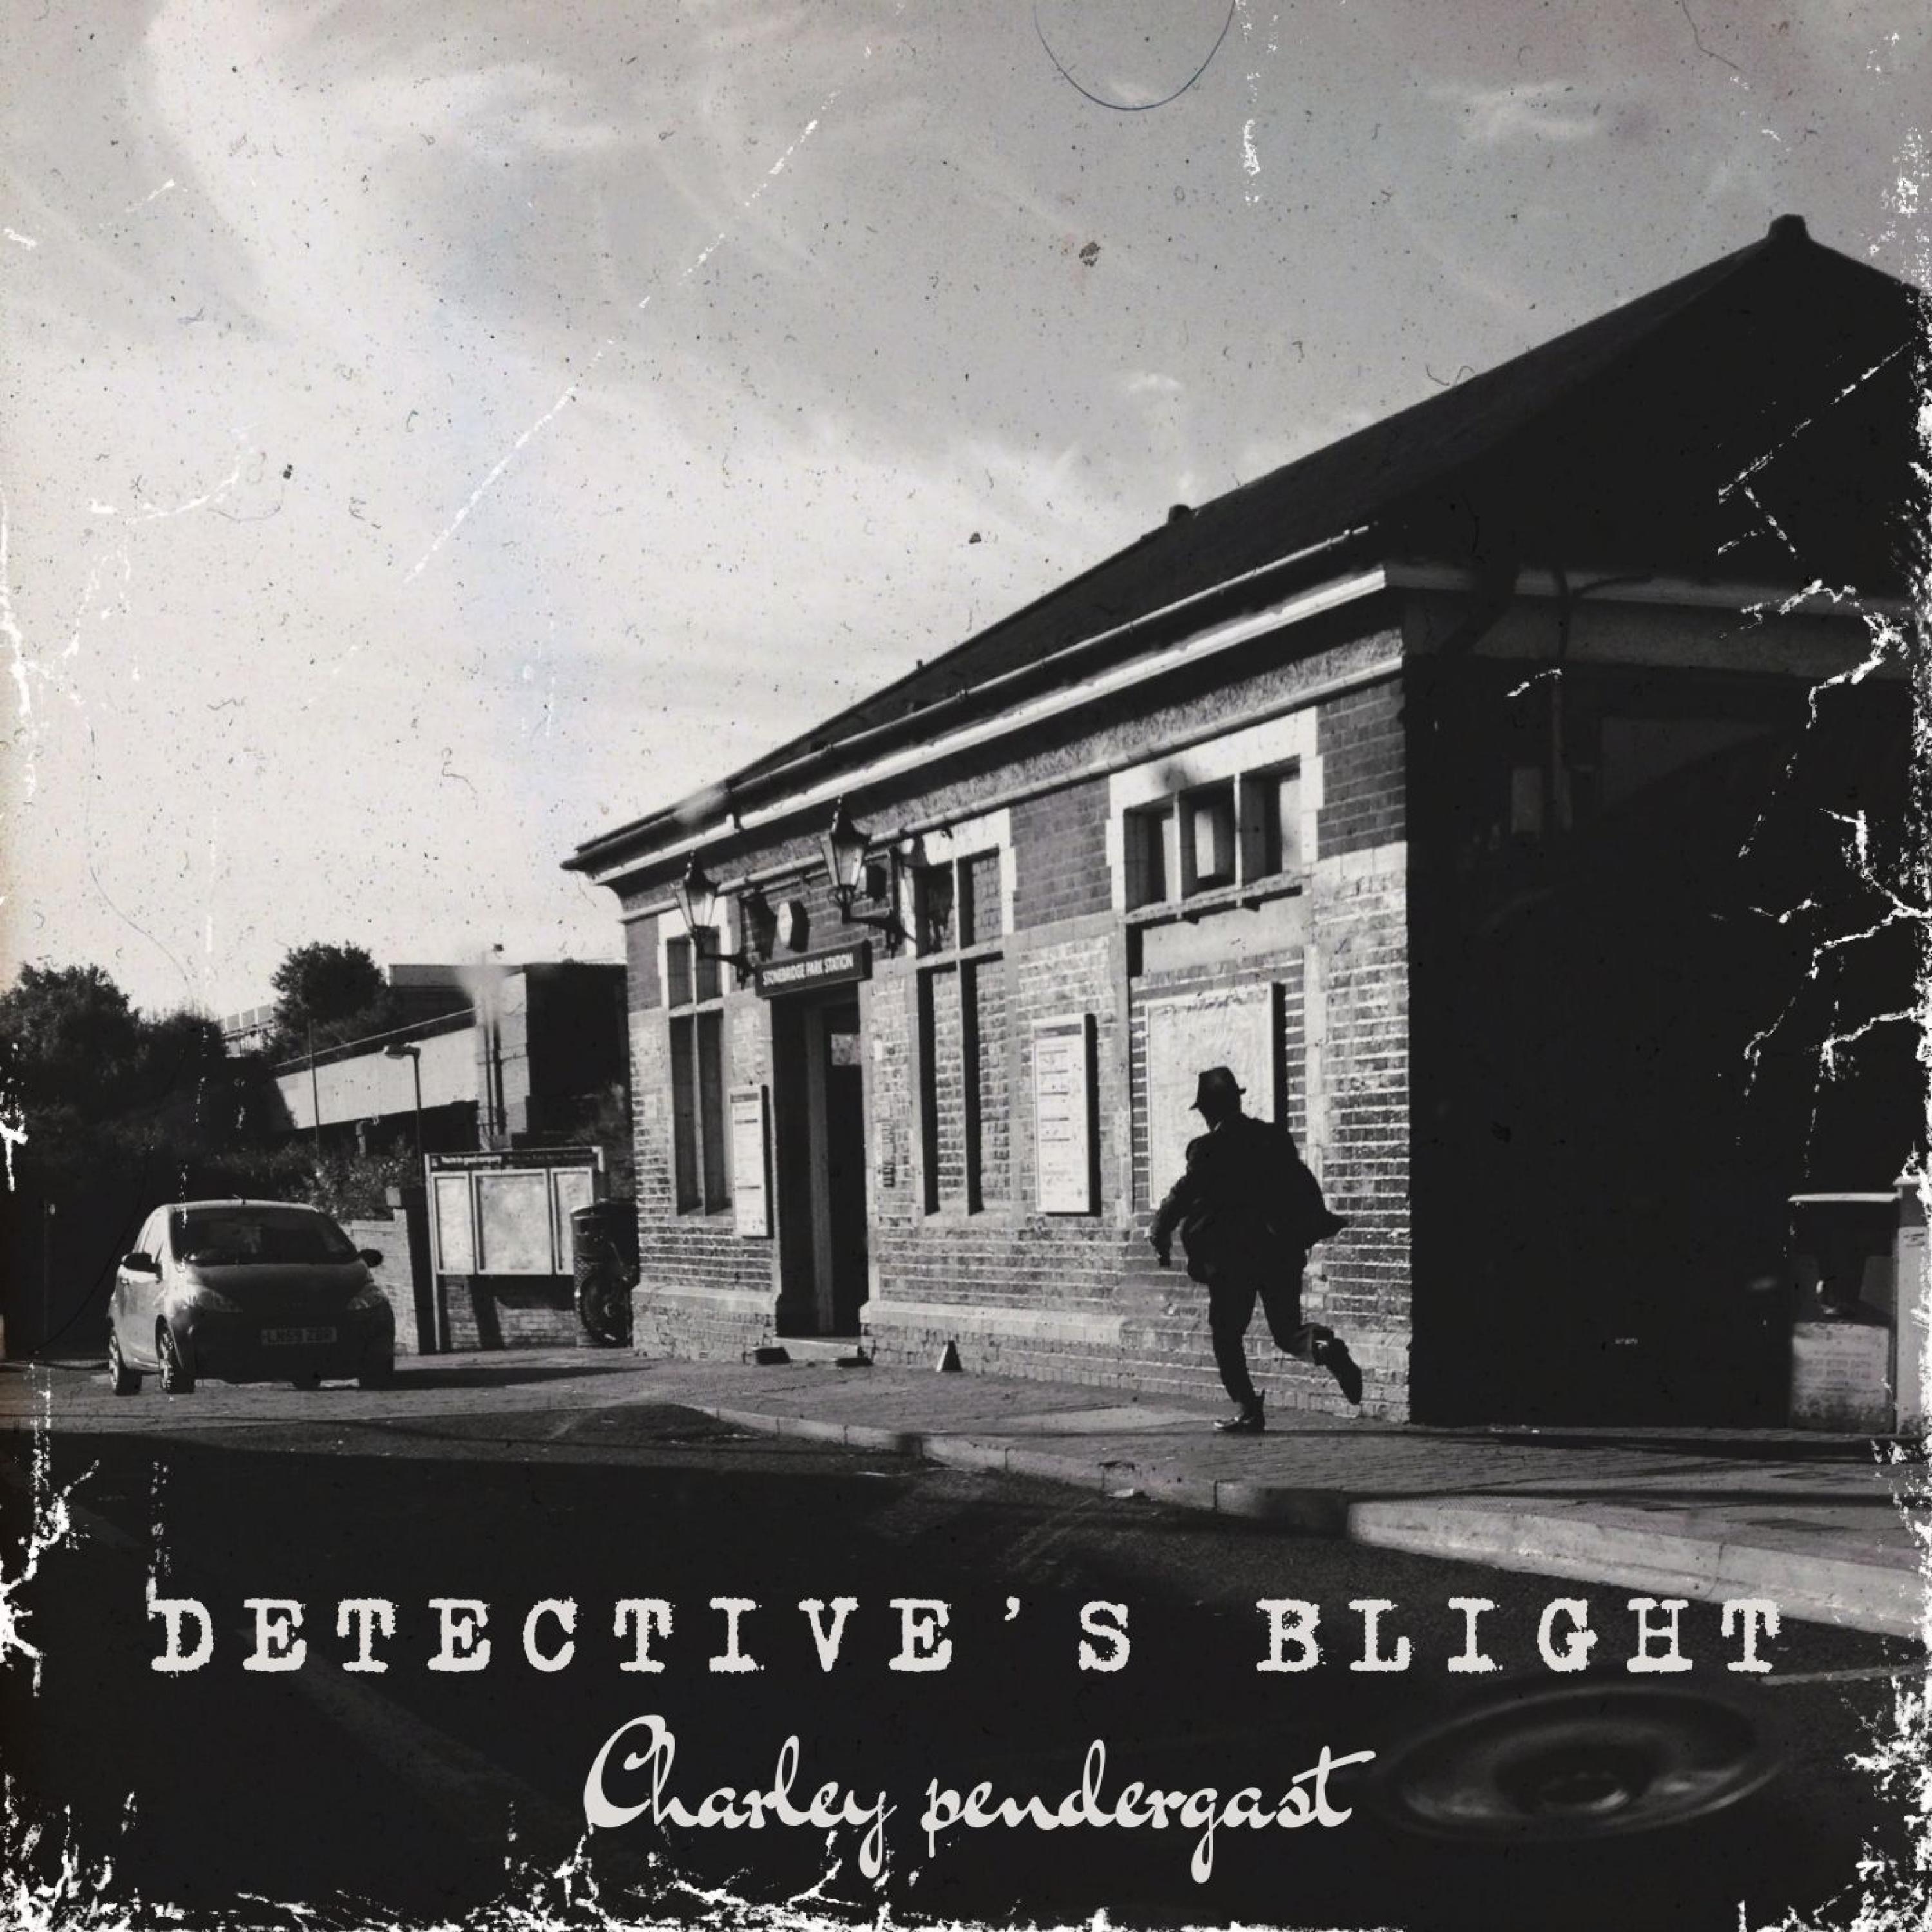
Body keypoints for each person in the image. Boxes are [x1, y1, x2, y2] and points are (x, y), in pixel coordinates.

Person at [1149, 1066, 1362, 1432]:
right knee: (1286, 1330)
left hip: (1233, 1259)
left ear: (1209, 1109)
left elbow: (1184, 1194)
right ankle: (1323, 1347)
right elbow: (1299, 1183)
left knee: (1227, 1335)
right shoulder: (1273, 1137)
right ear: (1237, 1101)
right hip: (1280, 1251)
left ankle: (1249, 1410)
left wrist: (1159, 1231)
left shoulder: (1208, 1149)